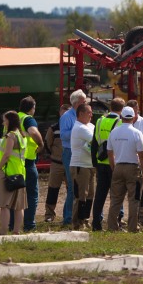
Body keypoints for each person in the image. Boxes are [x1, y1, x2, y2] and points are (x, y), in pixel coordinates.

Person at [106, 106, 143, 232]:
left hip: (118, 166)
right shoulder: (136, 133)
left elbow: (109, 152)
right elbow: (142, 155)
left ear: (121, 117)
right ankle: (133, 227)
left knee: (115, 199)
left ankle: (112, 226)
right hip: (133, 168)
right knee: (134, 199)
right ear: (134, 117)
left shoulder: (114, 132)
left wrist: (114, 167)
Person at [0, 111, 27, 235]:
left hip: (7, 172)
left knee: (4, 205)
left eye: (5, 120)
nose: (3, 122)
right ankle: (16, 231)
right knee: (18, 205)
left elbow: (6, 155)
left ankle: (3, 232)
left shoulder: (11, 135)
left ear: (10, 121)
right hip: (20, 173)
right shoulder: (22, 135)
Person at [91, 97, 123, 231]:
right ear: (121, 110)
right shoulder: (120, 122)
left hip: (100, 162)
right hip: (113, 162)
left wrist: (95, 163)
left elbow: (94, 142)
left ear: (110, 107)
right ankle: (116, 222)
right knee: (116, 195)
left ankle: (96, 224)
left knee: (100, 194)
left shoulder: (99, 121)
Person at [13, 96, 44, 232]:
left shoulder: (13, 118)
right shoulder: (28, 118)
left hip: (14, 162)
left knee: (14, 195)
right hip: (28, 161)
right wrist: (41, 144)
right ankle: (29, 224)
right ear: (32, 108)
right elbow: (33, 131)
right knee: (32, 194)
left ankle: (12, 225)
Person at [60, 90, 87, 226]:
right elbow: (63, 135)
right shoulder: (67, 116)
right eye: (84, 101)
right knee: (72, 186)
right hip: (70, 152)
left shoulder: (82, 116)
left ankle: (72, 215)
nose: (86, 103)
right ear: (77, 102)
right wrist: (78, 131)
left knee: (79, 186)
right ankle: (68, 217)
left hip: (80, 152)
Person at [70, 103, 96, 230]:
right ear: (81, 114)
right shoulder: (80, 128)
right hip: (80, 166)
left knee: (90, 194)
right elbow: (96, 139)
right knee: (81, 195)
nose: (91, 115)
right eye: (89, 112)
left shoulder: (89, 126)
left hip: (89, 165)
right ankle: (77, 223)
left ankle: (85, 219)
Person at [127, 100, 143, 225]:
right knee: (131, 189)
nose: (134, 113)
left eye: (135, 110)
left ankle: (142, 215)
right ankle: (132, 215)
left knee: (141, 189)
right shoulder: (123, 123)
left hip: (141, 160)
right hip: (129, 160)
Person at [44, 104, 70, 223]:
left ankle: (68, 214)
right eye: (63, 112)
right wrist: (54, 156)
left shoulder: (72, 127)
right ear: (59, 113)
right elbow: (48, 144)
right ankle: (49, 214)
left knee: (71, 190)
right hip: (57, 164)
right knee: (53, 189)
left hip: (70, 163)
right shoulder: (54, 128)